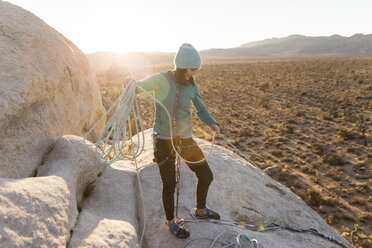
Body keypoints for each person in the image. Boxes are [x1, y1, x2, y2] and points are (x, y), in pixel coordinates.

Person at [124, 43, 221, 239]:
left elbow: (200, 109)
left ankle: (200, 209)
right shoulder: (162, 79)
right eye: (193, 69)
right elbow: (138, 87)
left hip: (185, 140)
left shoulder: (192, 85)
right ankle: (171, 223)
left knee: (206, 175)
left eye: (197, 70)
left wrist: (213, 123)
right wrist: (130, 82)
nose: (195, 73)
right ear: (183, 66)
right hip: (163, 141)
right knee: (169, 184)